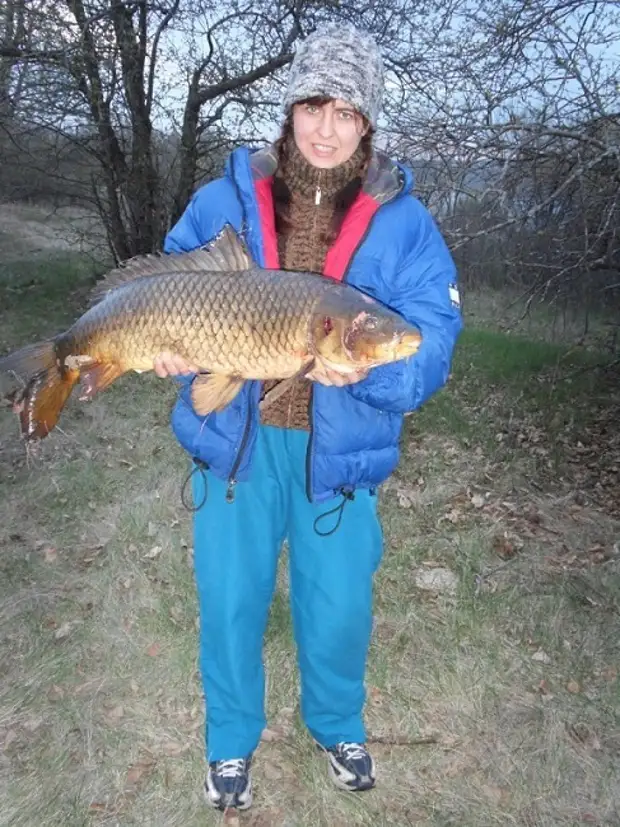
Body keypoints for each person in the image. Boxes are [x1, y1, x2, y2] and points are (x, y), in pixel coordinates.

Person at [156, 21, 462, 812]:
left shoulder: (405, 223)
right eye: (313, 107)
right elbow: (169, 281)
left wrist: (366, 378)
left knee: (337, 608)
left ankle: (336, 722)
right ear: (289, 111)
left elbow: (430, 340)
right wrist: (167, 348)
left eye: (346, 112)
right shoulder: (222, 200)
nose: (327, 128)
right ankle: (230, 742)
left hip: (340, 458)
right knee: (230, 600)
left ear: (367, 124)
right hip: (237, 450)